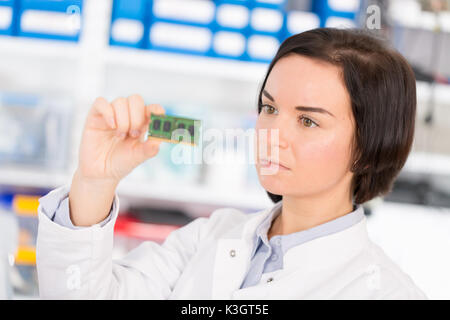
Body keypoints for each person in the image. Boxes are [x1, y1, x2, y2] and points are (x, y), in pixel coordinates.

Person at [36, 28, 427, 299]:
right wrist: (94, 182)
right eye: (269, 108)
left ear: (366, 148)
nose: (272, 134)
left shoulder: (385, 292)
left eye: (308, 120)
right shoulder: (210, 237)